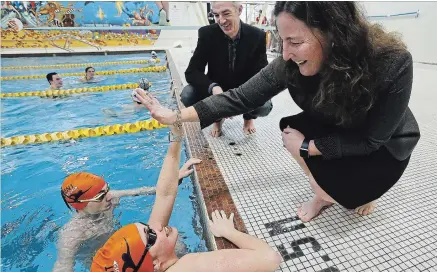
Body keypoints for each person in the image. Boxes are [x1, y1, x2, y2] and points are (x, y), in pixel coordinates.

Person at [136, 1, 421, 223]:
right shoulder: (288, 63)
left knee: (355, 193)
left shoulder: (391, 63)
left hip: (382, 145)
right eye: (281, 40)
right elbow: (241, 97)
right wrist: (176, 116)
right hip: (340, 124)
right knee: (291, 133)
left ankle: (364, 191)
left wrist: (310, 146)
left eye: (295, 42)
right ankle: (322, 194)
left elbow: (372, 141)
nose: (285, 54)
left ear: (335, 35)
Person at [90, 120, 282, 272]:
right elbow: (270, 259)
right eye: (150, 235)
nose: (155, 228)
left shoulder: (150, 257)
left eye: (145, 226)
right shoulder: (188, 267)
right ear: (155, 264)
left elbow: (164, 195)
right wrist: (229, 232)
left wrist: (176, 137)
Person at [53, 158, 201, 272]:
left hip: (129, 253)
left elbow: (150, 191)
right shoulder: (72, 235)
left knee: (176, 244)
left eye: (107, 190)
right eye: (101, 196)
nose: (110, 196)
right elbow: (62, 267)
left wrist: (175, 179)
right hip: (114, 267)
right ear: (81, 205)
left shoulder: (109, 200)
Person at [181, 1, 273, 137]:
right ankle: (217, 119)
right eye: (216, 15)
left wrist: (244, 98)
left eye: (226, 13)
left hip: (244, 90)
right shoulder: (207, 34)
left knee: (264, 105)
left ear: (239, 10)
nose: (221, 21)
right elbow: (192, 72)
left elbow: (261, 74)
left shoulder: (257, 36)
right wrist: (213, 88)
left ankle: (248, 118)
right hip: (217, 89)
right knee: (187, 94)